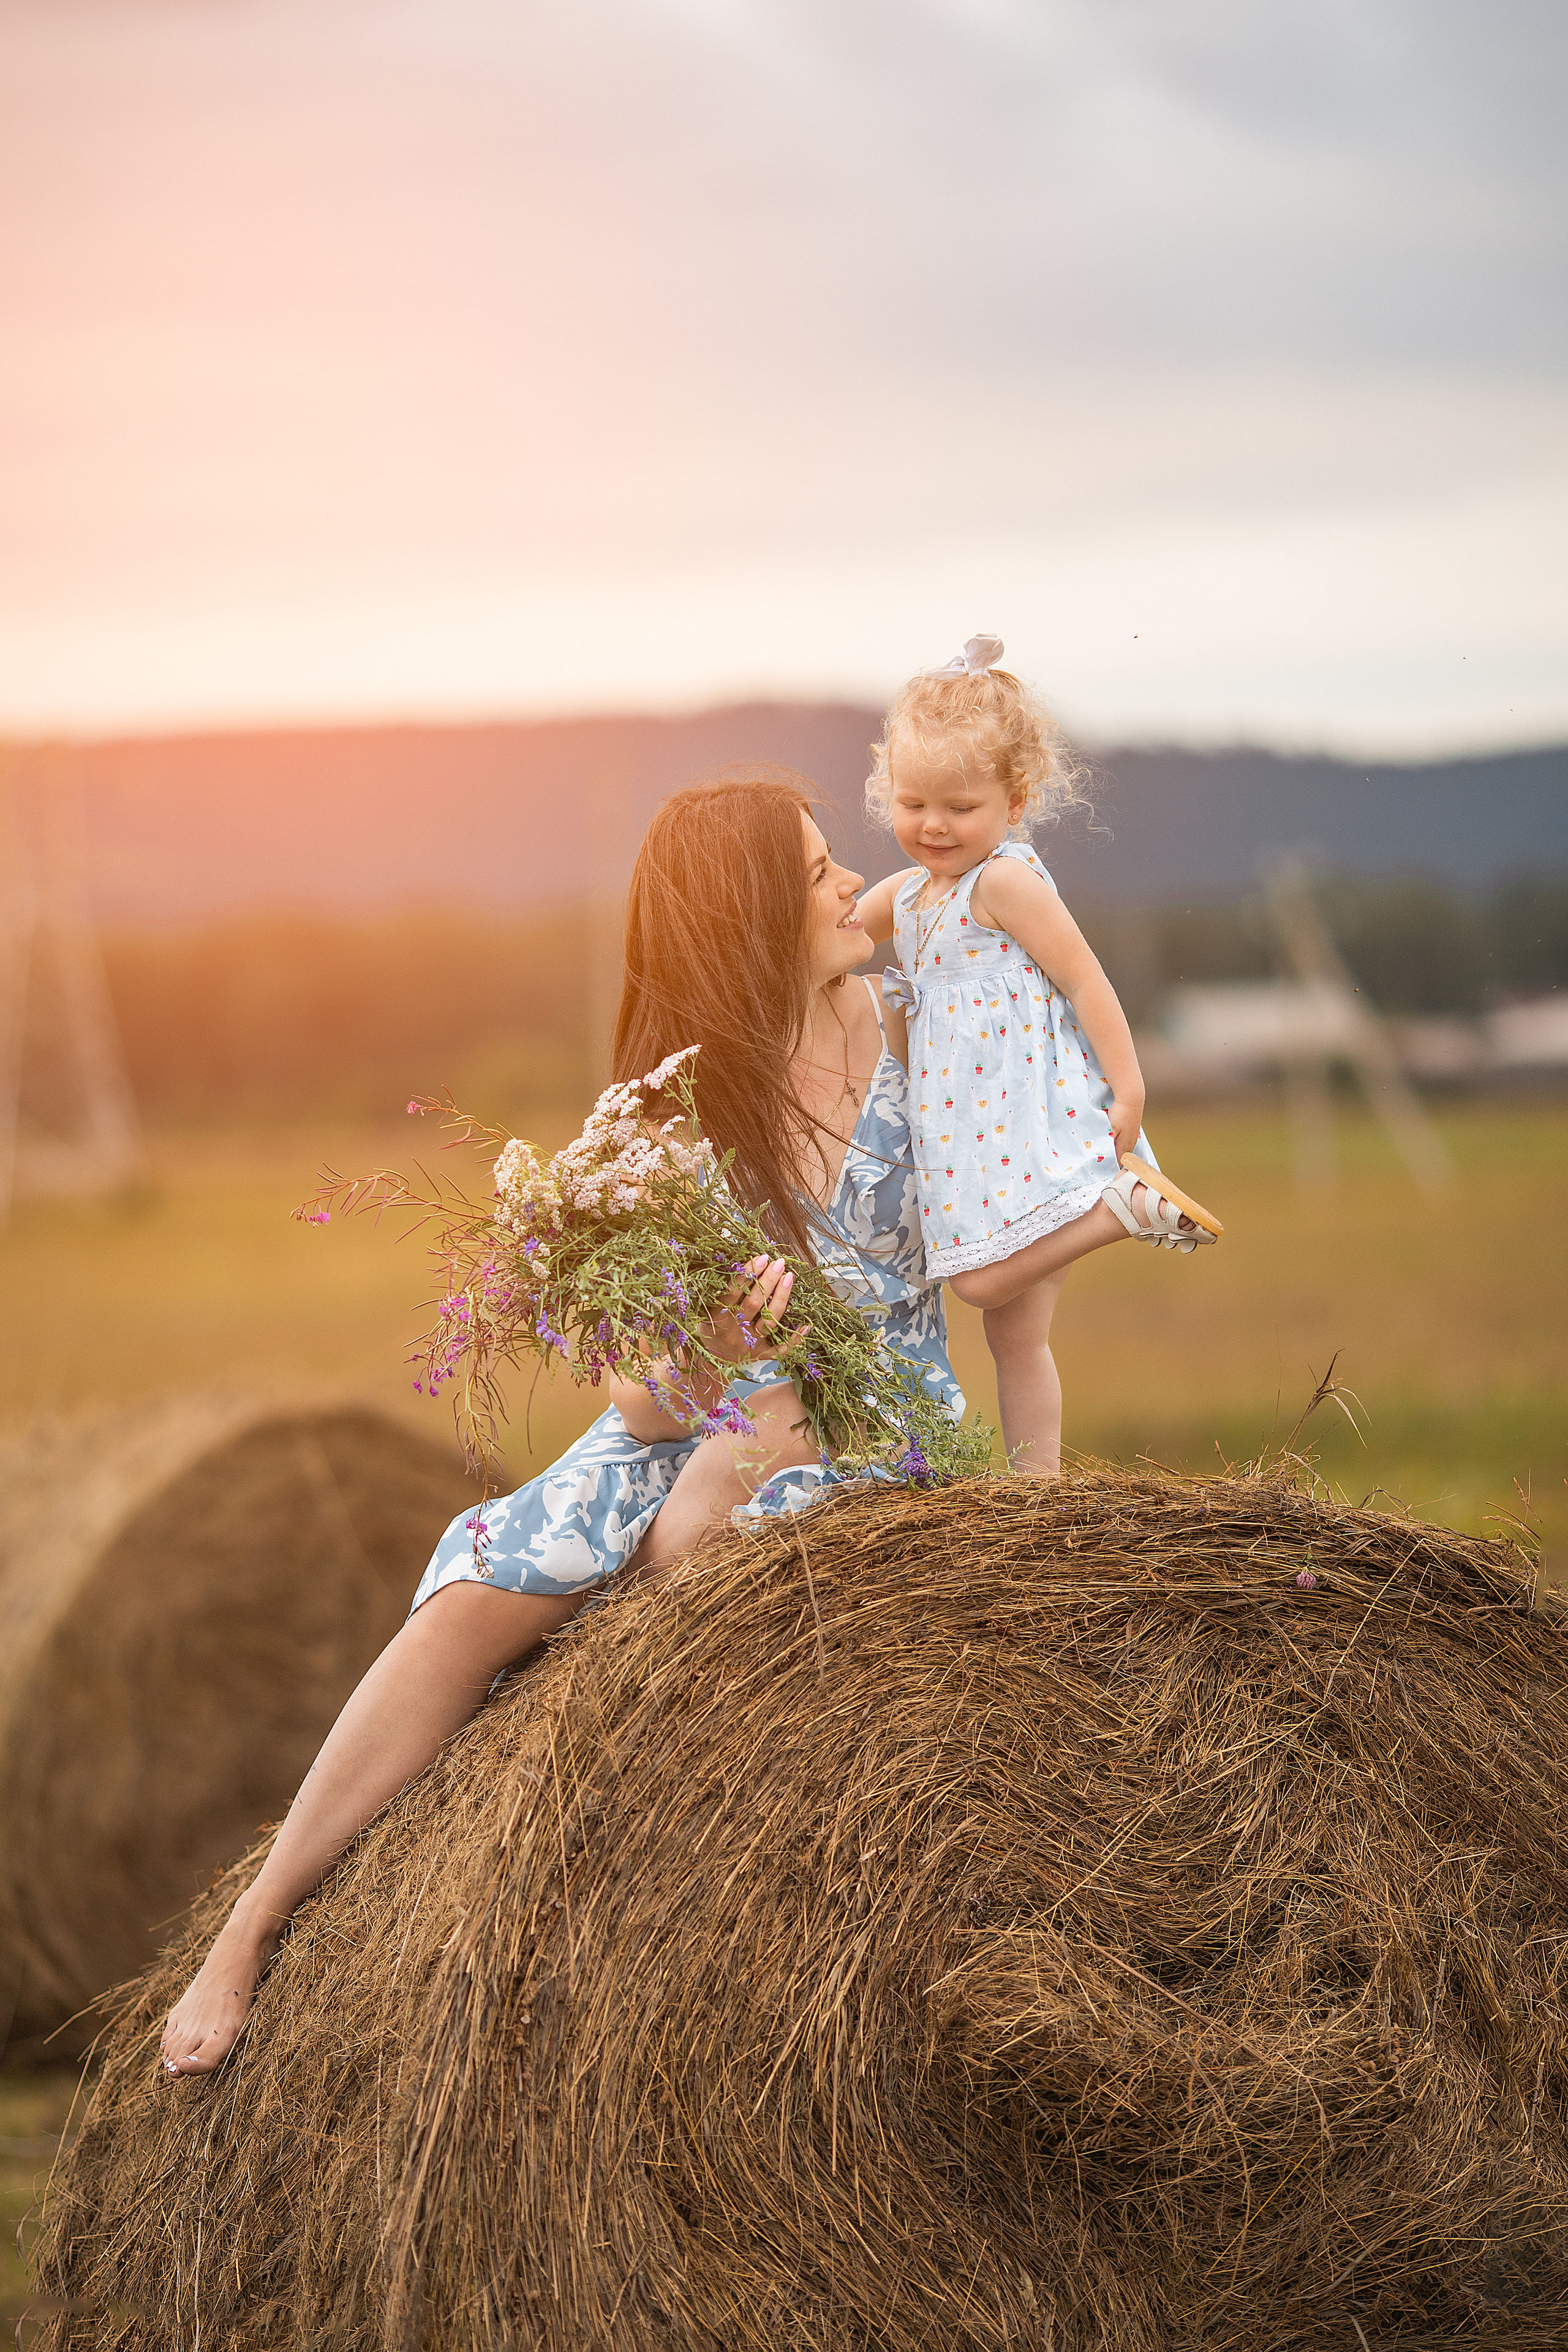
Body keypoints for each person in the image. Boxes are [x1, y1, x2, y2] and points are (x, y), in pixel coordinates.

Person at [160, 771, 964, 2075]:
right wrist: (711, 1352)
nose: (844, 881)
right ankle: (251, 1926)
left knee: (704, 1524)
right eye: (814, 870)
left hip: (875, 1408)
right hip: (709, 1398)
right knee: (478, 1585)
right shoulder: (667, 1113)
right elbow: (634, 1395)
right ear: (752, 915)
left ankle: (675, 1860)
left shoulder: (917, 1031)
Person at [854, 636, 1221, 1480]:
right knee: (1015, 1335)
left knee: (979, 1287)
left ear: (1014, 803)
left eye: (960, 806)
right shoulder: (908, 896)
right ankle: (1038, 1501)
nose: (934, 825)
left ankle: (1117, 1210)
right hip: (966, 1144)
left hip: (1024, 1126)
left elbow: (1086, 979)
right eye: (912, 804)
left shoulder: (1005, 883)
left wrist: (1129, 1083)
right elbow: (837, 941)